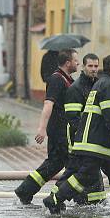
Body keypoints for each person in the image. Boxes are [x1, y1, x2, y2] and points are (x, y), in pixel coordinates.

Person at [44, 54, 110, 214]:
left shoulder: (99, 83)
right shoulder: (108, 85)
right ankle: (55, 199)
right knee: (85, 175)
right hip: (97, 143)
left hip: (97, 142)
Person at [15, 49, 79, 204]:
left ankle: (26, 190)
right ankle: (60, 197)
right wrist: (41, 129)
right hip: (58, 129)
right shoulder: (57, 80)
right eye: (76, 60)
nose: (78, 63)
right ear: (68, 63)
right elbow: (48, 104)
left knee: (56, 163)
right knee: (71, 163)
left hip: (64, 129)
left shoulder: (67, 79)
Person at [60, 53, 104, 204]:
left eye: (96, 66)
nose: (93, 69)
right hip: (78, 138)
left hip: (92, 139)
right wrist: (84, 137)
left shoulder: (98, 85)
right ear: (84, 67)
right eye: (90, 66)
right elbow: (73, 118)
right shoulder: (75, 88)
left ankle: (92, 203)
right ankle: (57, 197)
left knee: (88, 170)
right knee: (76, 171)